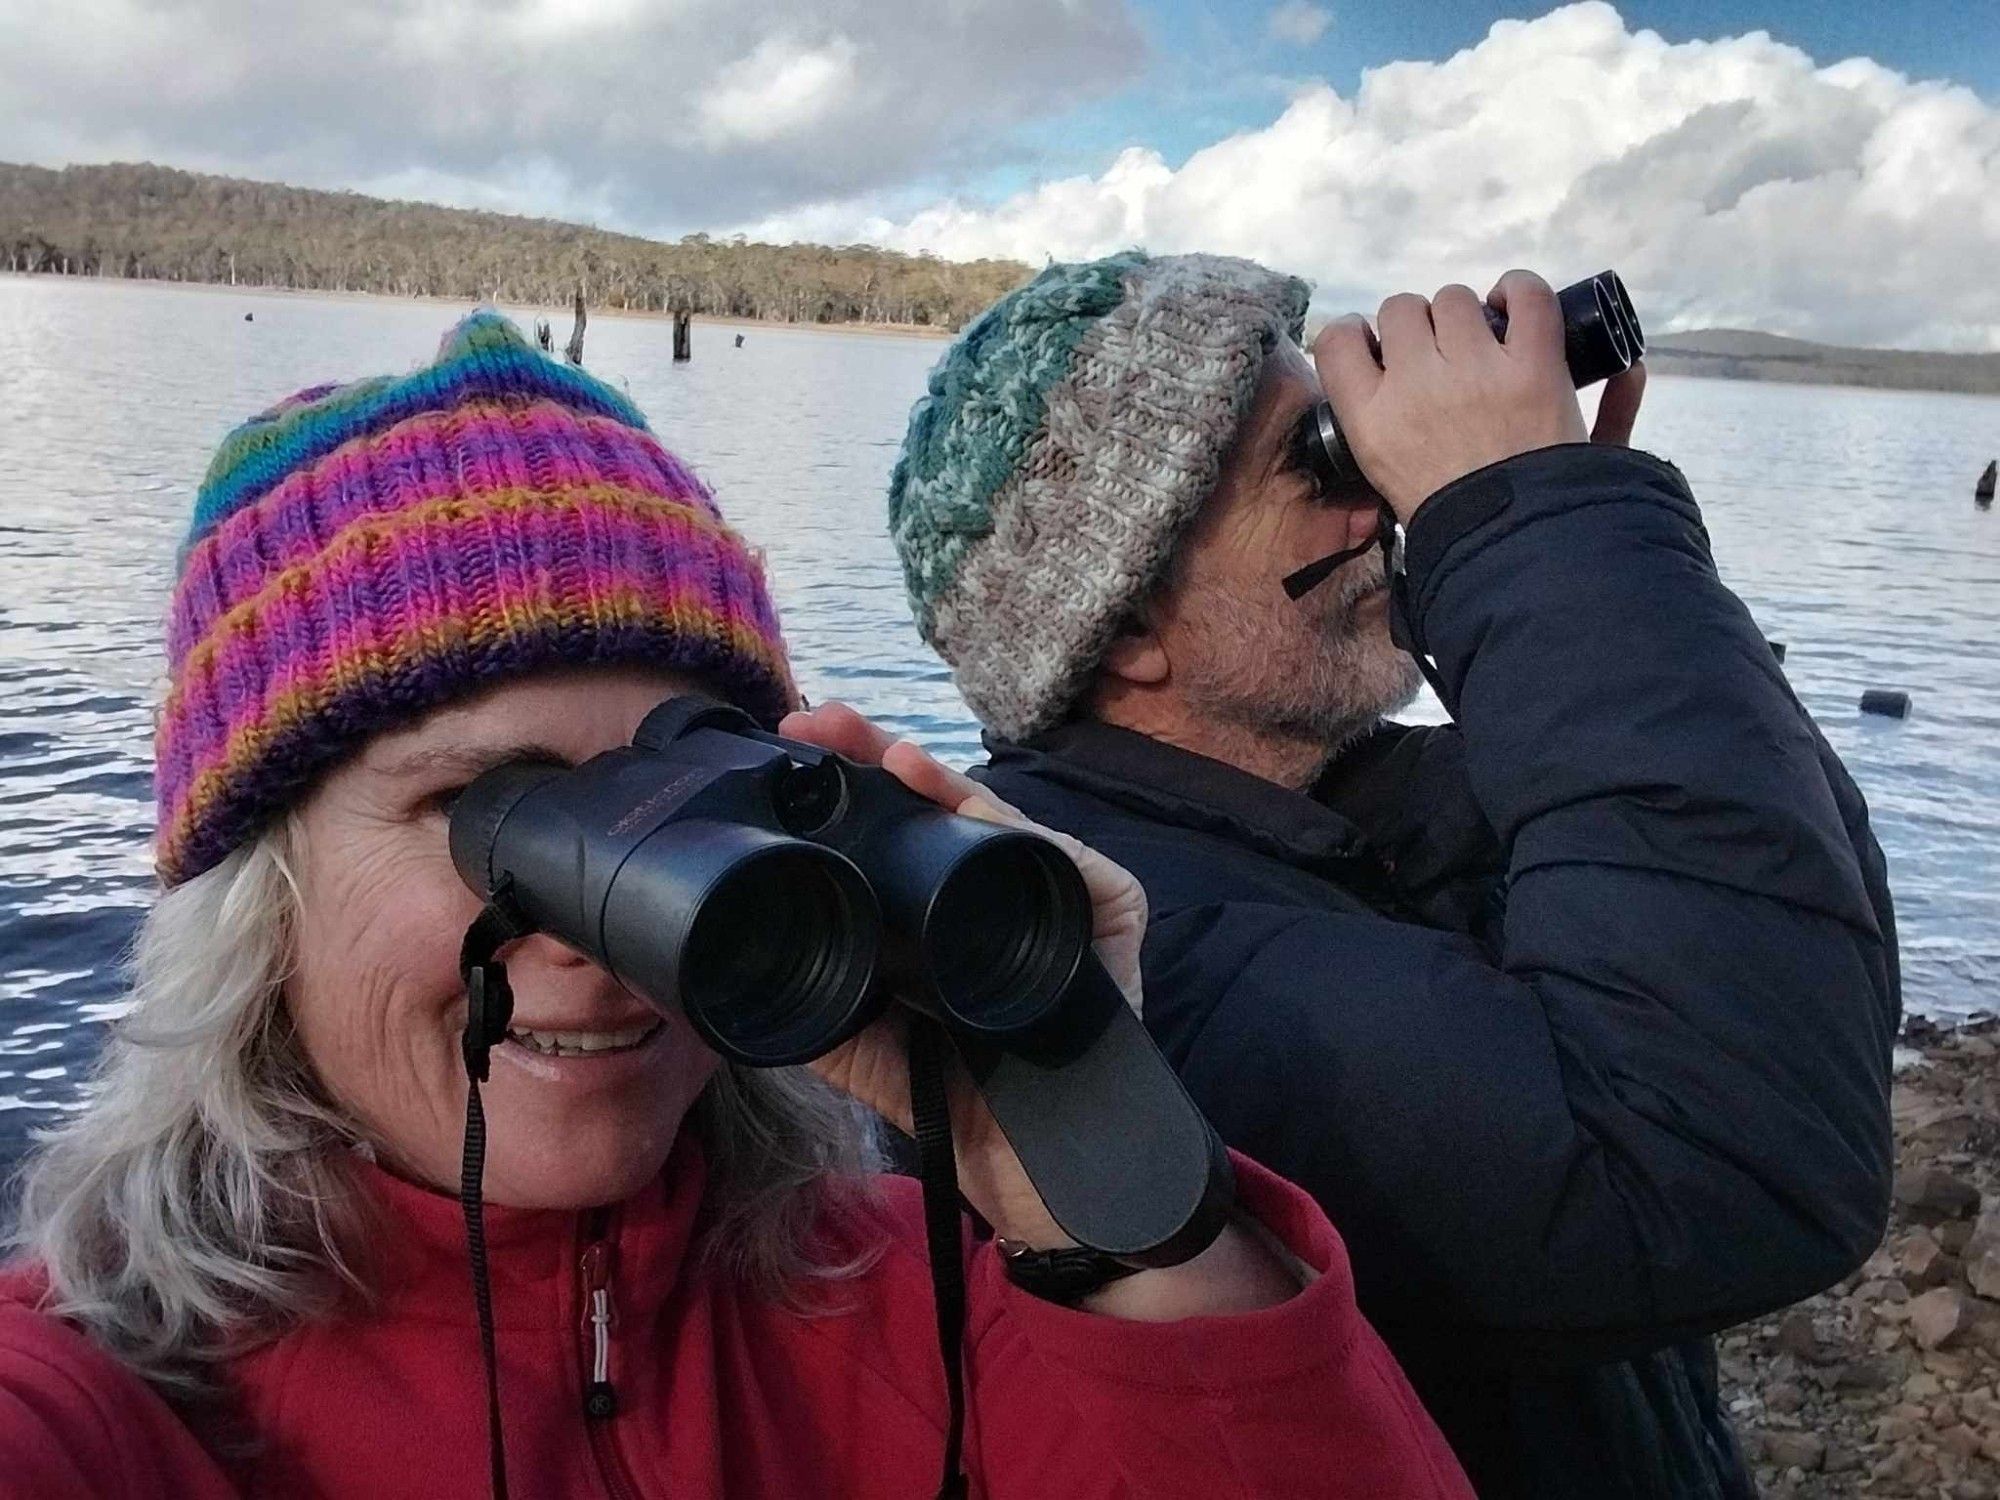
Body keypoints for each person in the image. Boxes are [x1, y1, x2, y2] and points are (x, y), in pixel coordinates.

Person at [0, 312, 1476, 1499]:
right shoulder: (104, 1398)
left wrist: (1093, 1156)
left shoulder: (927, 1305)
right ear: (263, 887)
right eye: (488, 811)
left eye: (682, 795)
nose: (603, 937)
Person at [870, 253, 1899, 1499]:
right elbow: (1725, 1160)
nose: (1379, 505)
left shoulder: (1352, 813)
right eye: (1317, 460)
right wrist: (1545, 541)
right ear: (1129, 629)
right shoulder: (1122, 961)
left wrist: (1584, 549)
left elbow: (1792, 940)